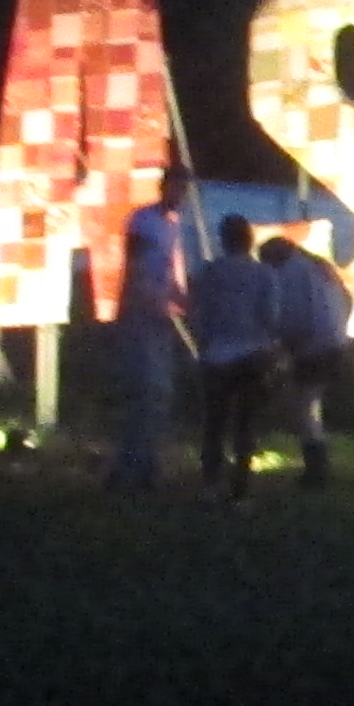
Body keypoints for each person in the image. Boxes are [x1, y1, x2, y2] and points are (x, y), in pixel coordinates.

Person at [109, 166, 198, 491]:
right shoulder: (143, 221)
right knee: (144, 390)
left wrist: (183, 302)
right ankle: (130, 465)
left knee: (159, 392)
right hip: (140, 315)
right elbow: (137, 269)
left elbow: (168, 274)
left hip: (160, 317)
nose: (181, 196)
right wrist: (151, 300)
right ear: (165, 187)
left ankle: (146, 462)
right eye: (177, 188)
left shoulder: (172, 225)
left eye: (184, 190)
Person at [263, 219, 354, 483]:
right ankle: (316, 464)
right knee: (306, 404)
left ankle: (317, 468)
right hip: (334, 342)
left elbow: (295, 316)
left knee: (302, 408)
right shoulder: (318, 268)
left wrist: (282, 345)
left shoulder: (290, 274)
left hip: (313, 348)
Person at [192, 213, 279, 490]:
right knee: (246, 423)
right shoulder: (264, 274)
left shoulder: (210, 272)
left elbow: (199, 311)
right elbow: (271, 316)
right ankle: (241, 487)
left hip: (216, 355)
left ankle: (210, 483)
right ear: (249, 240)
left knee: (214, 423)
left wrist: (203, 342)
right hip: (252, 353)